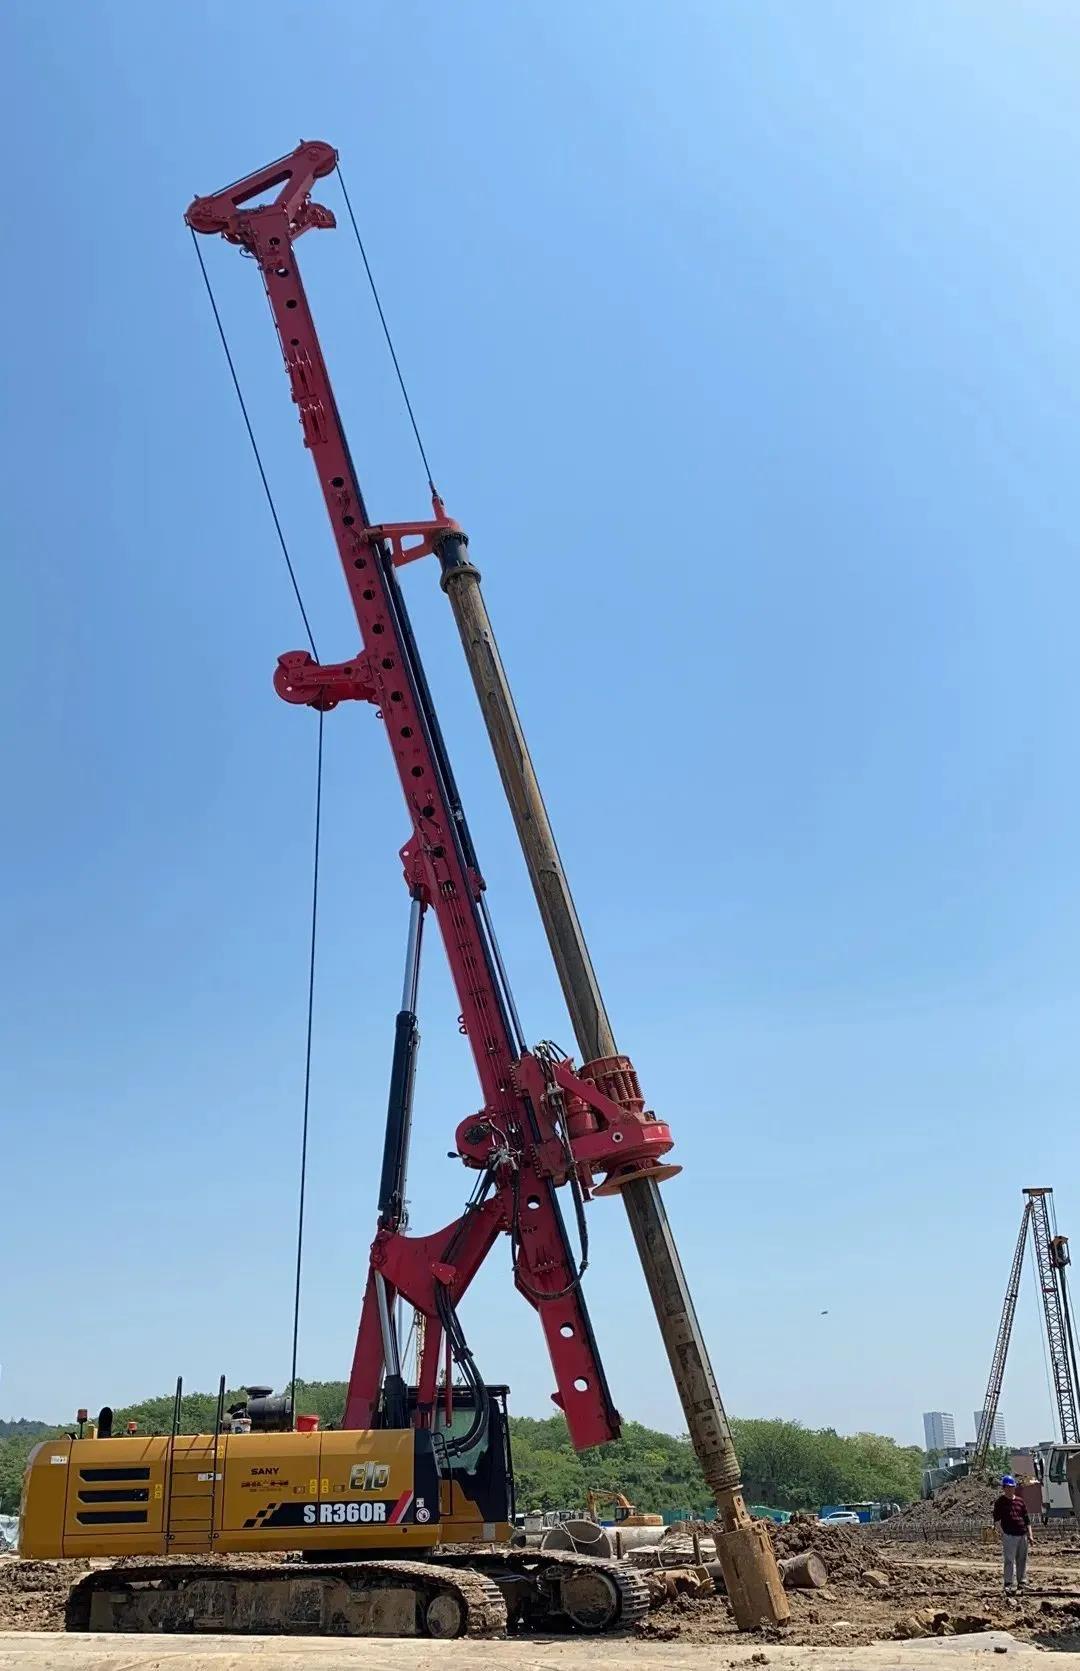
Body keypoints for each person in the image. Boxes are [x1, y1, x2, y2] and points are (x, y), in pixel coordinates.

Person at [992, 1475, 1033, 1596]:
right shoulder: (1000, 1502)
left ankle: (1022, 1582)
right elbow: (996, 1520)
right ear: (1004, 1488)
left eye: (1012, 1487)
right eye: (1008, 1487)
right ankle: (1008, 1583)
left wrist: (1030, 1534)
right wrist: (1003, 1533)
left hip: (1022, 1534)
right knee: (1009, 1560)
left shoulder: (1020, 1501)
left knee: (1022, 1559)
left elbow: (1027, 1520)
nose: (1010, 1489)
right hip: (1009, 1535)